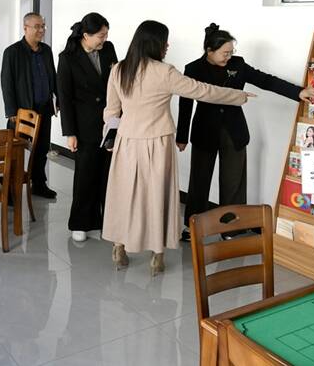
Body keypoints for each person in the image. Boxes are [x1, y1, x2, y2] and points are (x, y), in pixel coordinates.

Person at [103, 20, 254, 276]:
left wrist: (109, 137)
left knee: (125, 195)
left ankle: (119, 246)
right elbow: (203, 91)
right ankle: (157, 255)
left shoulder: (119, 69)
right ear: (155, 43)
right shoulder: (165, 72)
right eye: (165, 41)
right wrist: (238, 96)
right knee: (157, 196)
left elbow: (111, 111)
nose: (167, 45)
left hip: (126, 142)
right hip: (157, 142)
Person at [176, 24, 314, 241]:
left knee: (233, 182)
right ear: (209, 50)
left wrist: (298, 92)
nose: (229, 56)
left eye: (231, 52)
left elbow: (266, 80)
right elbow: (185, 104)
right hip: (204, 130)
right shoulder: (193, 68)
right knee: (199, 181)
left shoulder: (238, 64)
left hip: (234, 131)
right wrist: (182, 136)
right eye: (225, 53)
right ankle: (192, 226)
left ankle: (231, 228)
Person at [57, 13, 117, 242]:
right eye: (101, 35)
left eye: (106, 35)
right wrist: (70, 132)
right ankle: (81, 223)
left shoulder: (109, 49)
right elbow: (64, 97)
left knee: (108, 175)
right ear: (86, 35)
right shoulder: (68, 58)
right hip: (84, 124)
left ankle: (107, 223)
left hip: (110, 121)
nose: (104, 39)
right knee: (85, 175)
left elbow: (117, 82)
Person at [1, 12, 58, 199]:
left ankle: (39, 184)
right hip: (22, 111)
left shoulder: (46, 50)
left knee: (41, 149)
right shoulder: (12, 52)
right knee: (15, 151)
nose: (41, 30)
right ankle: (10, 189)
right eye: (37, 26)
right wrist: (11, 110)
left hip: (44, 108)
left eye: (43, 26)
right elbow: (7, 83)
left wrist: (57, 99)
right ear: (25, 28)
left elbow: (53, 76)